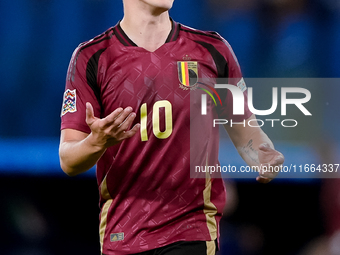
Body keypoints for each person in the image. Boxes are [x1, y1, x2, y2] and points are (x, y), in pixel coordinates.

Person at [59, 0, 284, 254]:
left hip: (191, 229)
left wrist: (262, 154)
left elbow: (245, 129)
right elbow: (68, 160)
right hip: (123, 234)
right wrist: (96, 142)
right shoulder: (93, 57)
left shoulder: (212, 51)